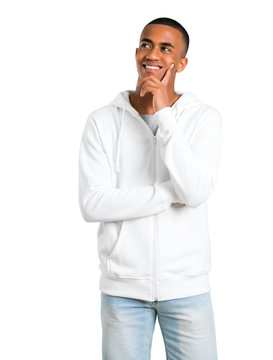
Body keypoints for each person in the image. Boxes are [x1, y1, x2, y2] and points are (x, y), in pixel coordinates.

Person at [79, 17, 223, 360]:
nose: (152, 53)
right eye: (146, 44)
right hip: (122, 290)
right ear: (136, 52)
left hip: (187, 289)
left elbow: (196, 191)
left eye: (165, 47)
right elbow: (93, 204)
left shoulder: (203, 118)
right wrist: (170, 194)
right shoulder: (103, 121)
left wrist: (165, 116)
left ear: (182, 63)